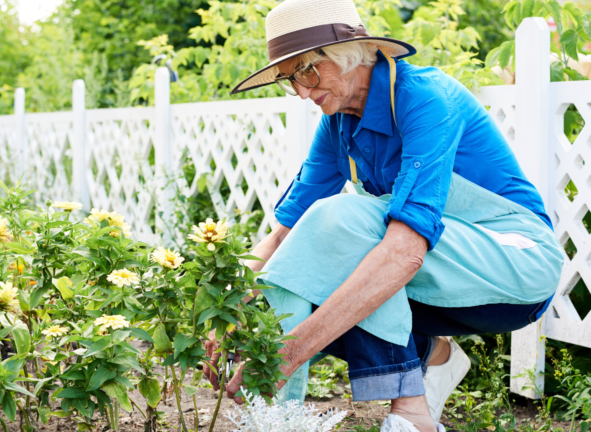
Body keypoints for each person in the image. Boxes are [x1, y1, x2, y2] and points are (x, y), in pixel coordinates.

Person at [201, 0, 564, 430]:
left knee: (346, 221)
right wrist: (224, 309)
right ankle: (433, 357)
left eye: (306, 71)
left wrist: (287, 356)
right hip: (441, 277)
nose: (300, 91)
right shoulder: (337, 124)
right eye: (289, 79)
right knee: (313, 264)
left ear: (348, 54)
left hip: (516, 267)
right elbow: (284, 237)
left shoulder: (426, 99)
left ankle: (411, 414)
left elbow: (404, 251)